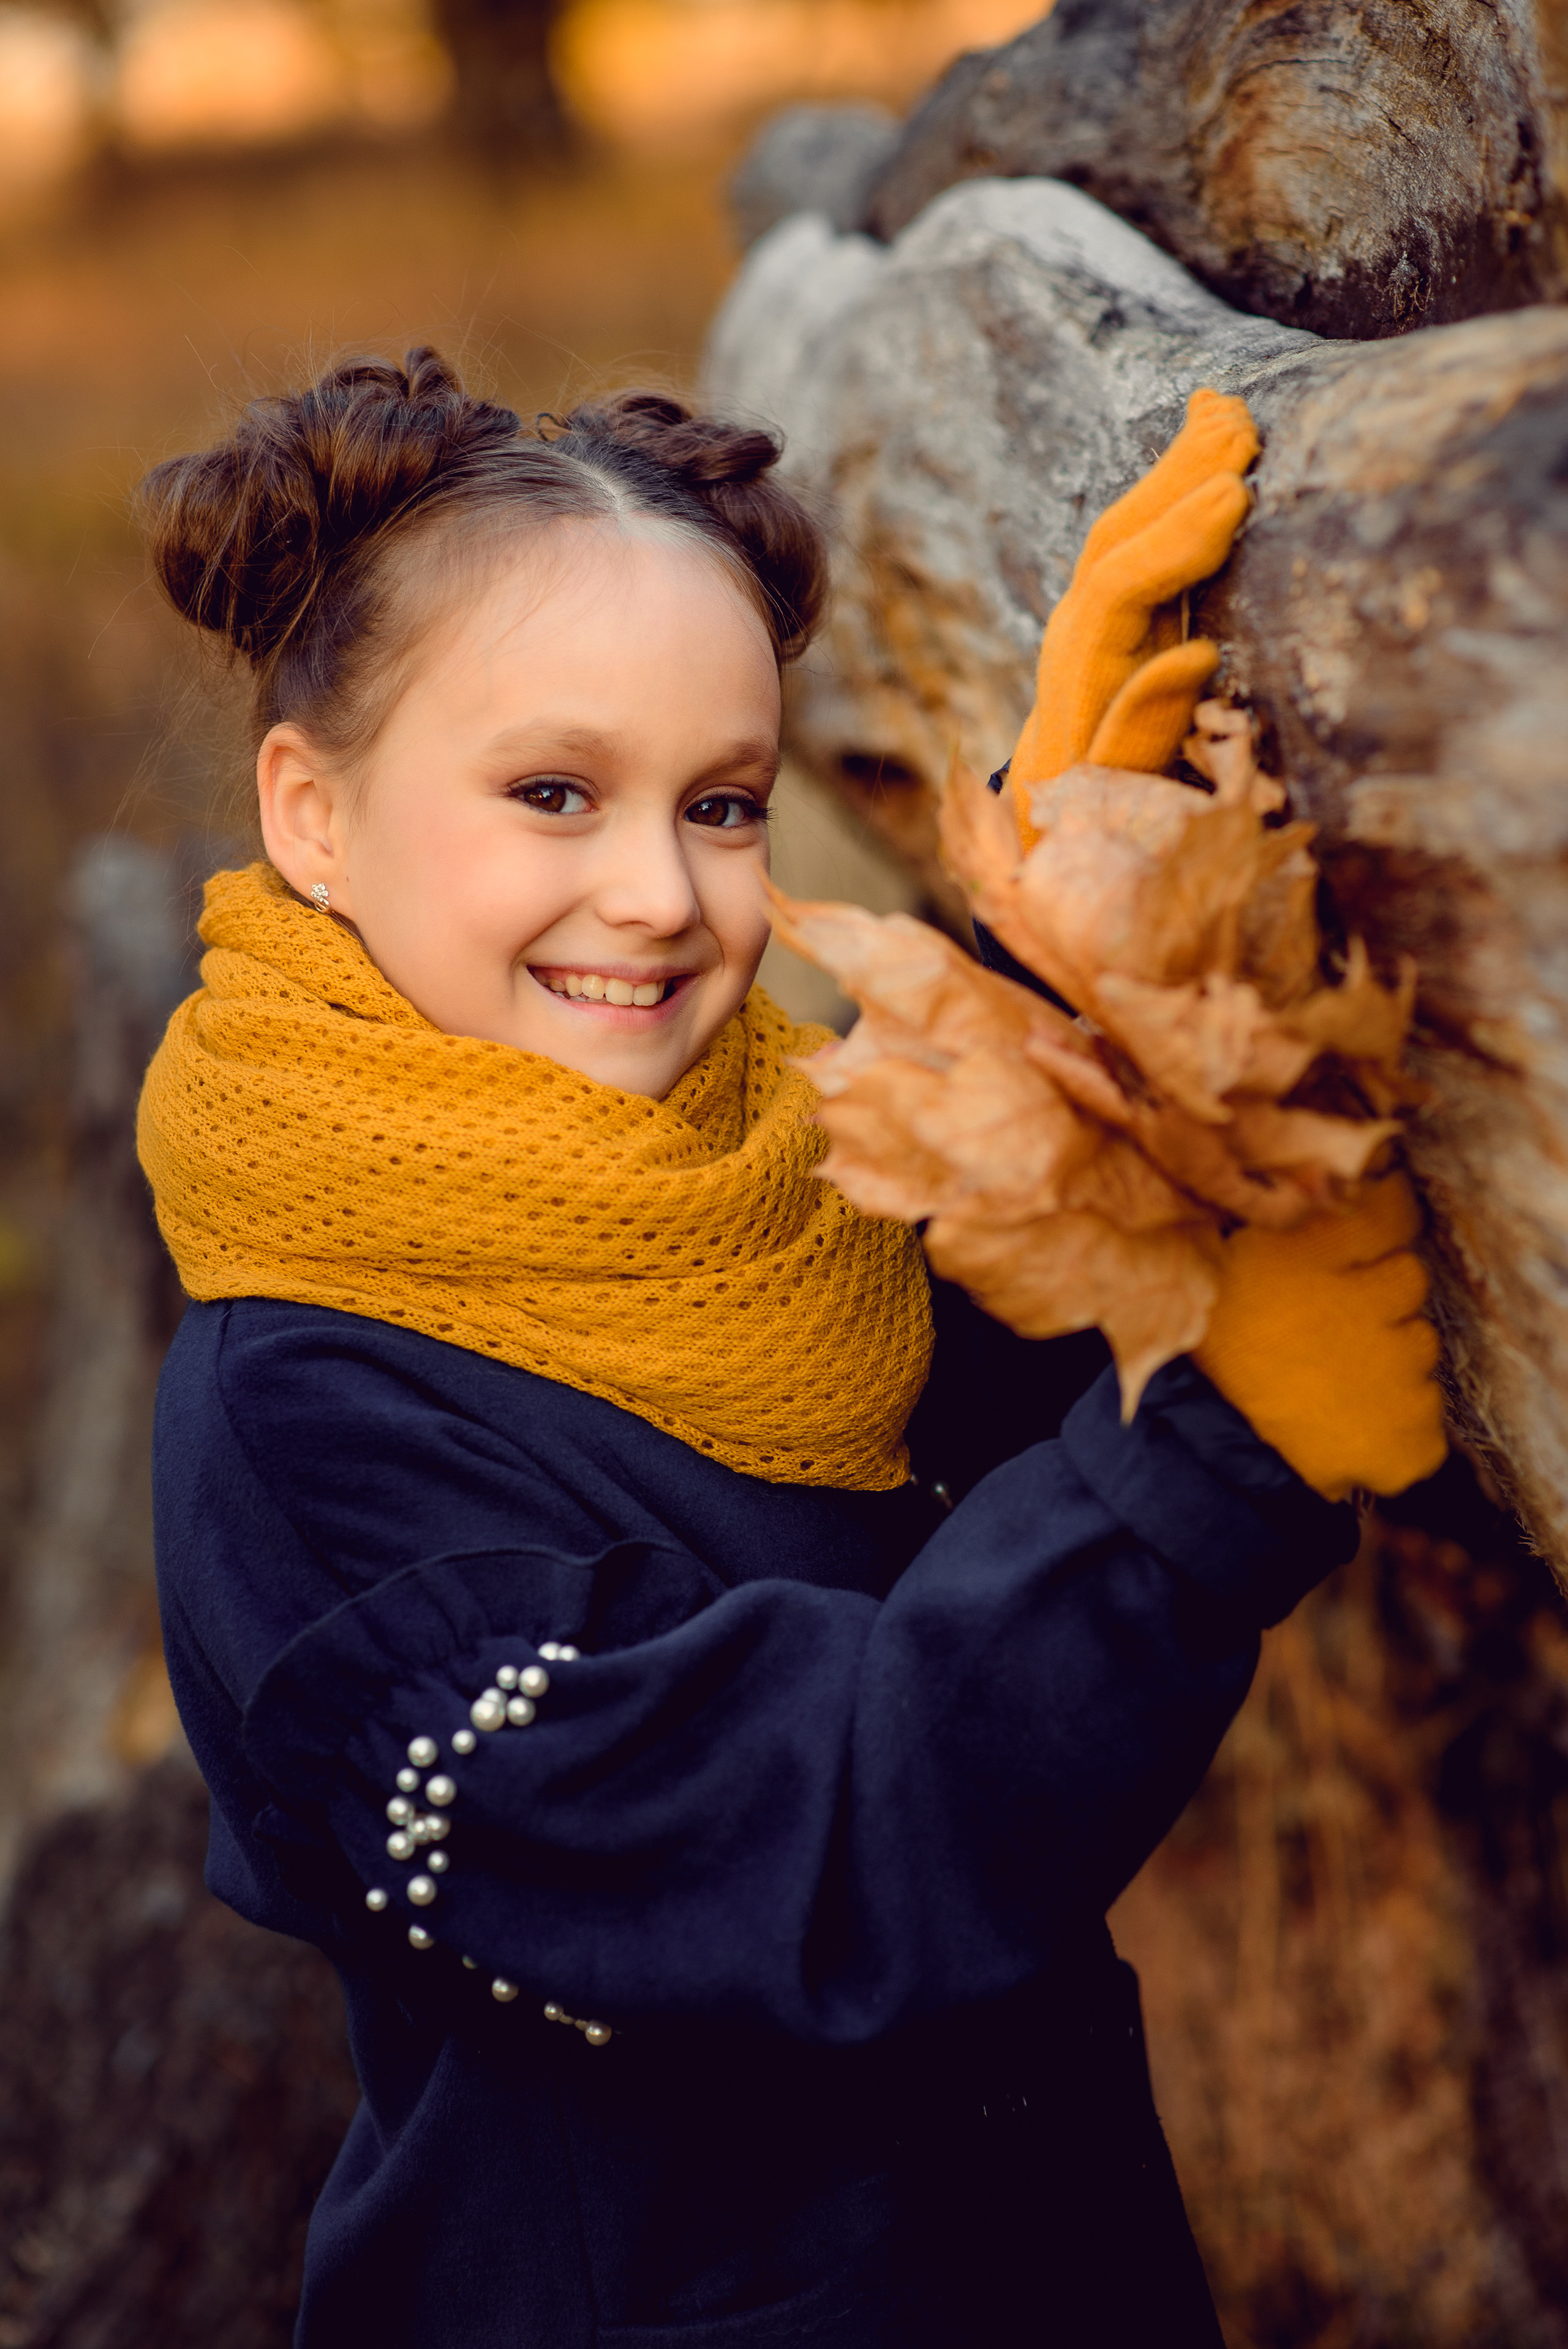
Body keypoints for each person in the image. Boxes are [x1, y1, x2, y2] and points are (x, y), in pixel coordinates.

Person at [137, 349, 1444, 2347]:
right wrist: (1221, 1456)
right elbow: (825, 1846)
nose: (658, 895)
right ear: (313, 812)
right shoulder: (308, 1431)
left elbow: (950, 1364)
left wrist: (1073, 906)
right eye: (553, 791)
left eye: (725, 803)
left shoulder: (741, 1178)